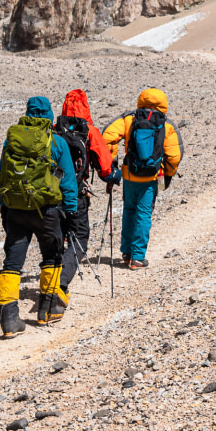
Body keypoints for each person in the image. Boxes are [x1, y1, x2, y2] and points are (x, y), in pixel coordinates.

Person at [0, 96, 78, 338]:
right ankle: (48, 310)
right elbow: (69, 183)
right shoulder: (57, 141)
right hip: (48, 211)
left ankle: (9, 320)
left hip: (16, 210)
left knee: (12, 262)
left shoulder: (11, 140)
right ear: (50, 116)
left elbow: (2, 177)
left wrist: (4, 208)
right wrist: (71, 213)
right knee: (52, 256)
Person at [102, 88, 182, 269]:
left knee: (129, 210)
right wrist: (167, 173)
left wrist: (112, 162)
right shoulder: (166, 124)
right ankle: (138, 258)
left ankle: (127, 253)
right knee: (144, 213)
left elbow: (107, 137)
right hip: (151, 177)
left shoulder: (129, 119)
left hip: (130, 175)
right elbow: (174, 155)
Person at [56, 88, 121, 297]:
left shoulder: (56, 129)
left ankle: (51, 278)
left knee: (57, 238)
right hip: (77, 195)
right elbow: (105, 169)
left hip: (52, 195)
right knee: (80, 237)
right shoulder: (90, 131)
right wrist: (115, 176)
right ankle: (60, 286)